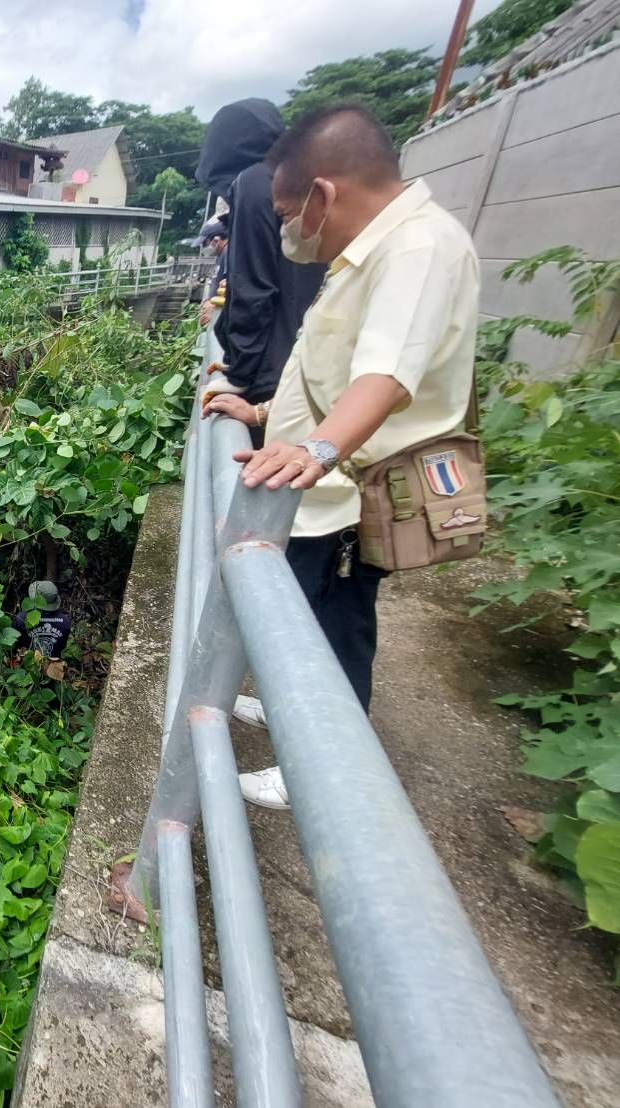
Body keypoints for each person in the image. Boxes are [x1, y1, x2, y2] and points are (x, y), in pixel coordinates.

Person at [204, 103, 480, 810]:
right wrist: (260, 414)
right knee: (302, 619)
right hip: (321, 493)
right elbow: (327, 369)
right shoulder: (370, 252)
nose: (286, 230)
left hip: (350, 501)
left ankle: (320, 767)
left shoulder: (417, 249)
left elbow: (384, 377)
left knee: (334, 629)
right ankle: (294, 716)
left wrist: (318, 449)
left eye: (286, 213)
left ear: (322, 195)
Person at [196, 99, 325, 416]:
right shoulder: (293, 181)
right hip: (297, 361)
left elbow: (252, 287)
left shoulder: (252, 184)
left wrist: (238, 374)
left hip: (268, 374)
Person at [13, 580, 72, 680]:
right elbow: (64, 646)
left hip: (26, 670)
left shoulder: (22, 618)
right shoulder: (65, 621)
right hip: (53, 671)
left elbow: (15, 646)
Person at [195, 219, 229, 327]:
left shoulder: (228, 251)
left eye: (205, 243)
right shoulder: (221, 254)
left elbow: (229, 284)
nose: (206, 247)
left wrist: (212, 306)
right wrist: (209, 299)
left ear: (216, 240)